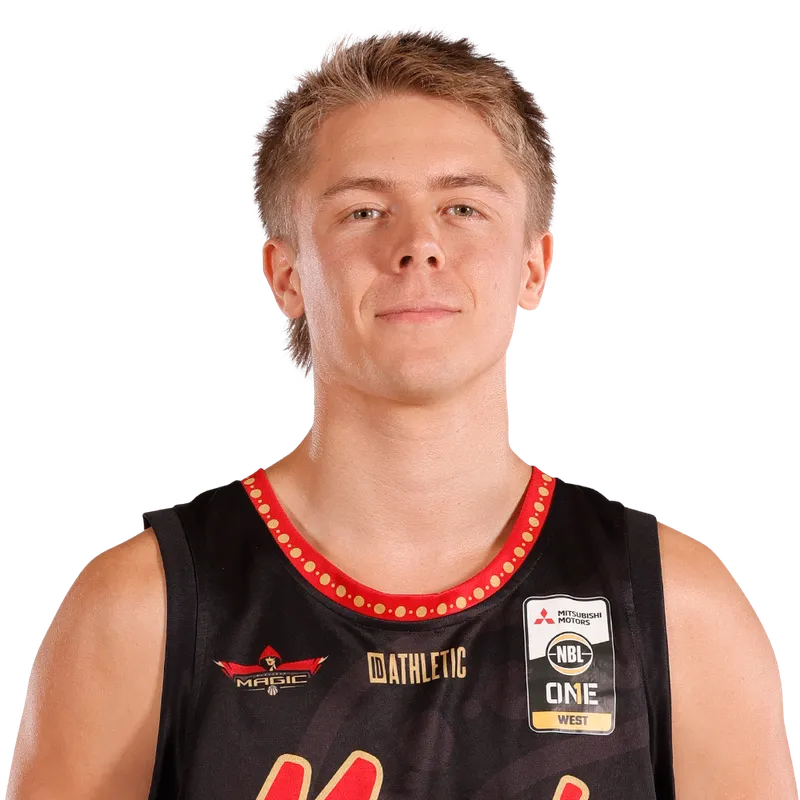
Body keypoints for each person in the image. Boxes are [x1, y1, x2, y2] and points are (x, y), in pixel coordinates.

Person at [7, 23, 795, 800]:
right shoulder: (138, 611)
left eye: (463, 207)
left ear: (535, 267)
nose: (418, 245)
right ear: (285, 273)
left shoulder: (681, 608)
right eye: (363, 210)